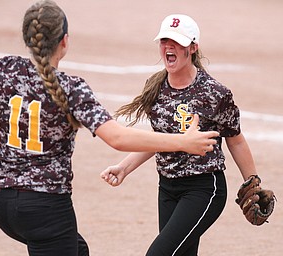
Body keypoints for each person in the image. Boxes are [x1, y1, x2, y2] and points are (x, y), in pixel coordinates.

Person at [0, 2, 219, 256]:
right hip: (46, 208)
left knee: (78, 250)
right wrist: (182, 142)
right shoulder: (71, 88)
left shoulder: (4, 69)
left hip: (1, 203)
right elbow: (117, 138)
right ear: (64, 41)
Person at [101, 14, 261, 256]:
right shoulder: (156, 87)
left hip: (204, 189)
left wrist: (253, 184)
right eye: (165, 41)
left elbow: (235, 140)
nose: (169, 47)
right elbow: (159, 140)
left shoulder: (215, 93)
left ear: (193, 48)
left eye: (177, 42)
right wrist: (124, 168)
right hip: (166, 188)